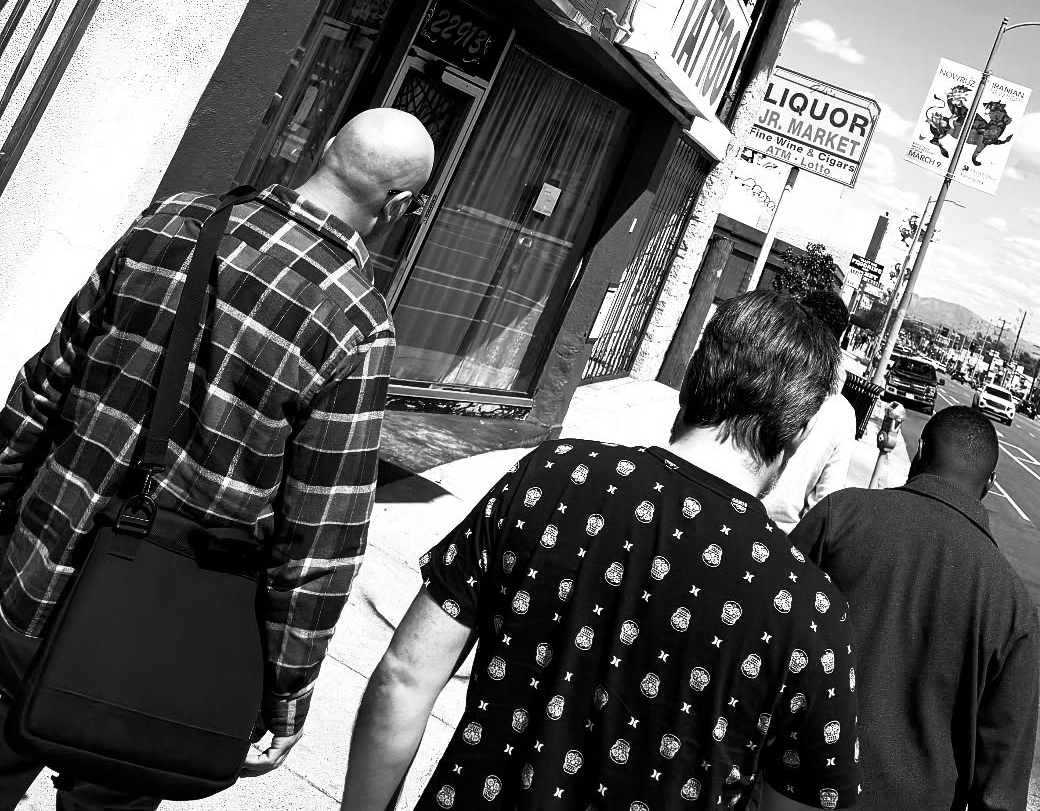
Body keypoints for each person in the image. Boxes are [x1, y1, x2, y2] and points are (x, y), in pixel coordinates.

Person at [0, 108, 434, 811]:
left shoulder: (173, 220)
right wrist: (285, 691)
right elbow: (319, 538)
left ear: (326, 148)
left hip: (33, 571)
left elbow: (44, 384)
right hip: (153, 629)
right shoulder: (355, 324)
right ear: (400, 206)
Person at [340, 291, 862, 811]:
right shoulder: (809, 612)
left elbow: (405, 676)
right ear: (796, 434)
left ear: (691, 381)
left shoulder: (551, 476)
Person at [794, 405, 1039, 811]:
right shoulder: (1012, 604)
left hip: (796, 783)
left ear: (920, 449)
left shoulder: (843, 515)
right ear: (990, 484)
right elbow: (1002, 781)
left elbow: (762, 630)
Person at [763, 289, 855, 532]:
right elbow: (824, 504)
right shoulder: (842, 414)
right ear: (839, 339)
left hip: (725, 506)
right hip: (779, 535)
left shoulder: (761, 372)